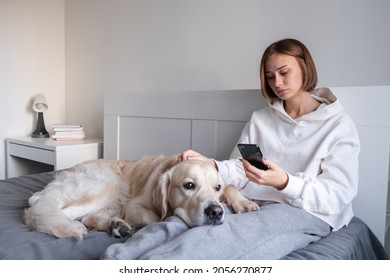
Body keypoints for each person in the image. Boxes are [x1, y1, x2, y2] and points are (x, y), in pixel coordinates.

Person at [101, 38, 360, 260]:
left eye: (284, 72)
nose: (277, 83)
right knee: (177, 222)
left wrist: (284, 182)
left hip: (306, 210)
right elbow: (239, 167)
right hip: (251, 199)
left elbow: (338, 194)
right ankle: (118, 259)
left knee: (216, 240)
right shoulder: (261, 118)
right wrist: (212, 165)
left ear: (305, 67)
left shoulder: (338, 125)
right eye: (270, 76)